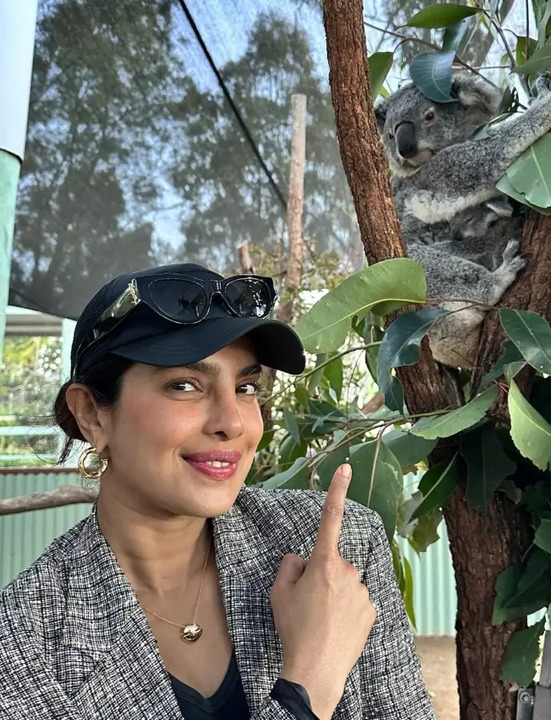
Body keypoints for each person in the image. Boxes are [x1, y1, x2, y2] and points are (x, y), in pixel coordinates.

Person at [0, 264, 434, 719]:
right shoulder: (26, 638)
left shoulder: (337, 553)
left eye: (246, 387)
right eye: (185, 385)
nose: (234, 422)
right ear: (91, 414)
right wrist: (309, 684)